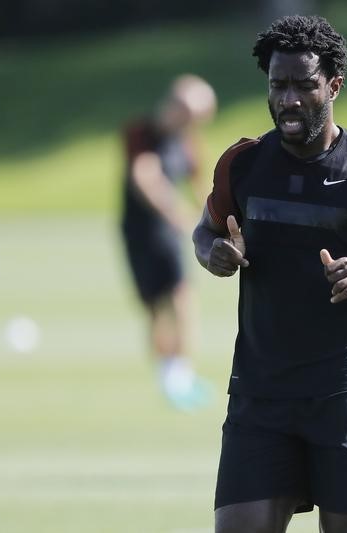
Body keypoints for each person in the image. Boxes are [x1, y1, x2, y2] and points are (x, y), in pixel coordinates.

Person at [192, 15, 347, 533]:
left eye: (303, 86)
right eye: (277, 85)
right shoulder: (242, 164)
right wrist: (214, 252)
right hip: (262, 388)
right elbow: (205, 231)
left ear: (333, 85)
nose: (288, 100)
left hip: (345, 387)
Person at [120, 74, 217, 410]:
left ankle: (181, 375)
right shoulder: (141, 132)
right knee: (155, 308)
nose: (194, 122)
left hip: (169, 233)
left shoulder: (187, 141)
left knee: (181, 298)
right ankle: (168, 375)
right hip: (140, 231)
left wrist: (213, 220)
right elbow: (144, 178)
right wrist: (176, 213)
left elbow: (199, 186)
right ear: (175, 105)